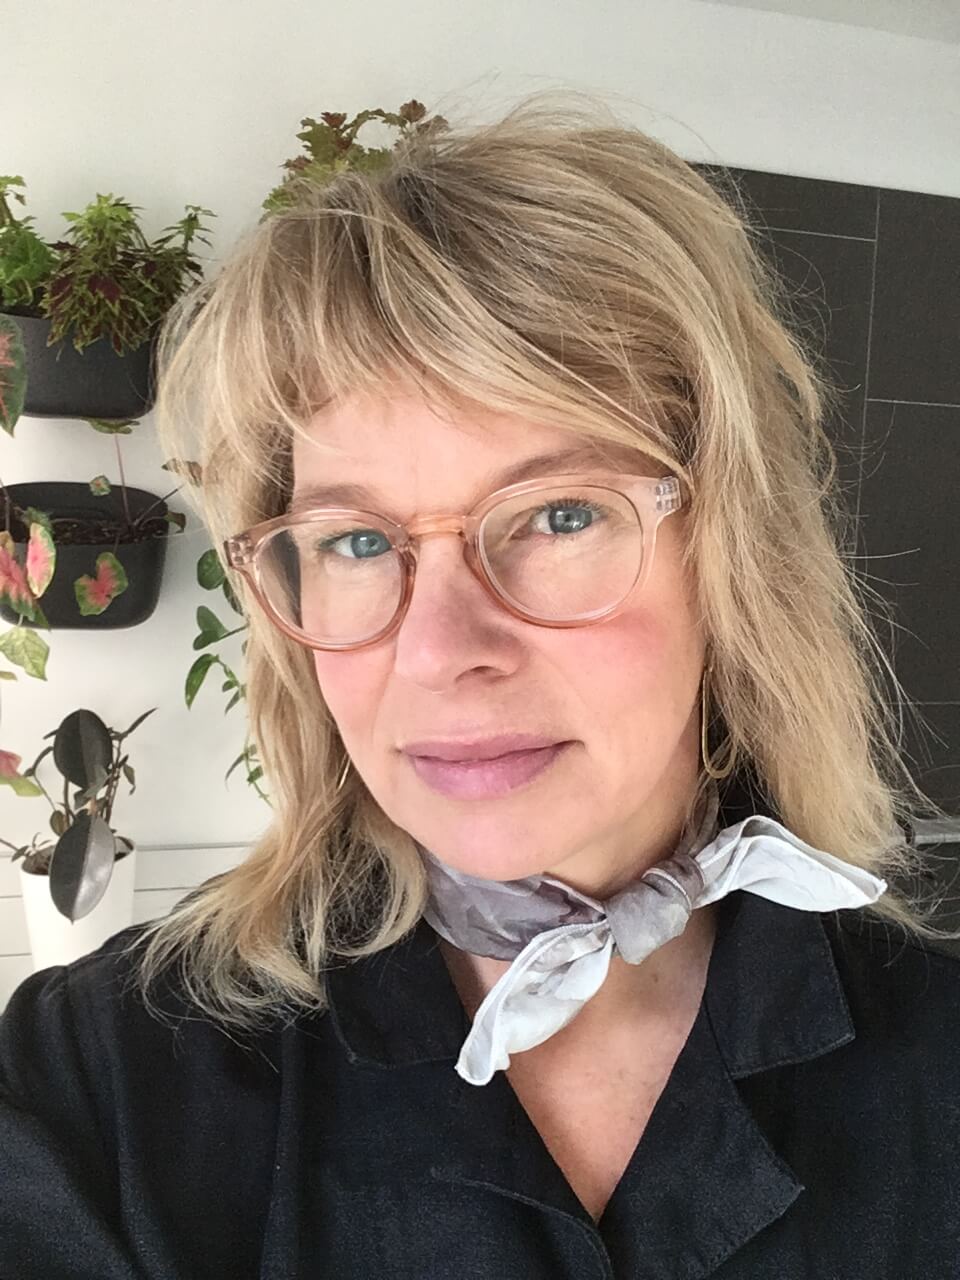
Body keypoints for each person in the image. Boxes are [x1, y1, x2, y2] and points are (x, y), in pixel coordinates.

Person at [2, 89, 959, 1279]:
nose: (440, 648)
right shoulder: (99, 1084)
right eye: (357, 540)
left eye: (558, 515)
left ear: (732, 558)